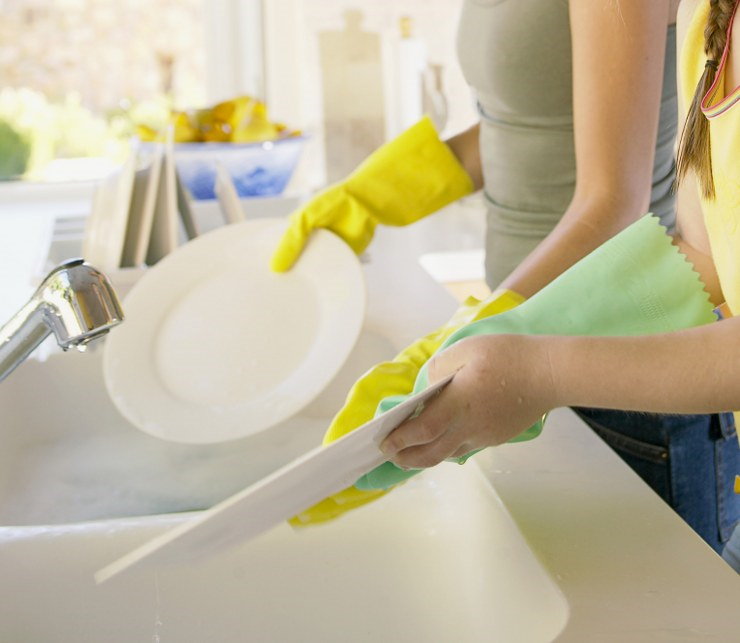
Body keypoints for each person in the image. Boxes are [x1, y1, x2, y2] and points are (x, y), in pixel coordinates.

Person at [272, 0, 740, 552]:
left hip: (616, 365)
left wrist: (527, 353)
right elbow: (699, 252)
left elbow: (613, 202)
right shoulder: (707, 19)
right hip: (564, 342)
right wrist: (383, 190)